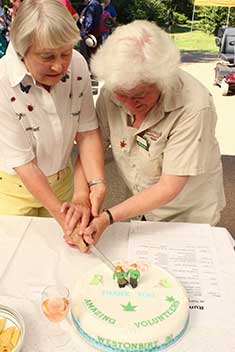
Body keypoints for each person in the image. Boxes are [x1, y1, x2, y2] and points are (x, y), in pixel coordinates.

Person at [78, 20, 225, 247]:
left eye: (138, 96)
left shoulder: (194, 105)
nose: (128, 105)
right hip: (139, 206)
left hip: (185, 214)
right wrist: (82, 196)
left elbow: (169, 186)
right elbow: (91, 143)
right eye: (121, 95)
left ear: (162, 80)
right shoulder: (116, 88)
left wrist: (107, 217)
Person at [0, 0, 106, 246]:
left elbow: (87, 131)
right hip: (12, 190)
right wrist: (65, 220)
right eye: (47, 56)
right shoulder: (2, 83)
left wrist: (94, 185)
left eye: (65, 52)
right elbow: (25, 164)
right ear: (21, 48)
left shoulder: (78, 64)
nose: (59, 66)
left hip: (63, 182)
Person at [79, 0, 102, 66]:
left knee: (87, 54)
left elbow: (89, 20)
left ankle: (88, 69)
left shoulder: (91, 5)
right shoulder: (98, 3)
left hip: (91, 33)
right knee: (95, 52)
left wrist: (84, 33)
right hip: (97, 31)